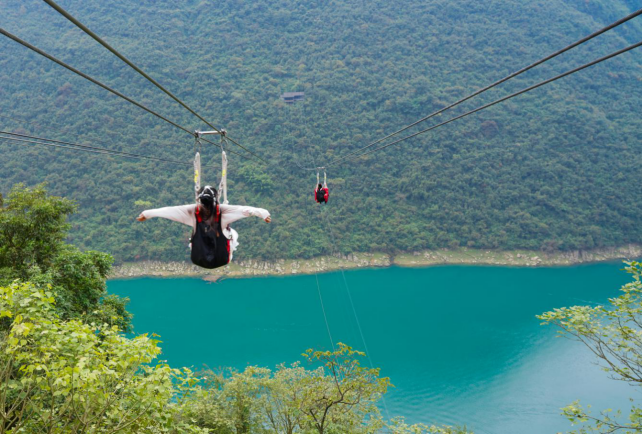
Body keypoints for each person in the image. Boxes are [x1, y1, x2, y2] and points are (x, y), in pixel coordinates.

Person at [136, 185, 271, 269]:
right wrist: (264, 214)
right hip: (222, 259)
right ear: (216, 200)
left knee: (195, 236)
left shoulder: (192, 212)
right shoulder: (223, 211)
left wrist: (147, 214)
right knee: (232, 234)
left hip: (198, 259)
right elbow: (245, 210)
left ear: (200, 200)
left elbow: (169, 211)